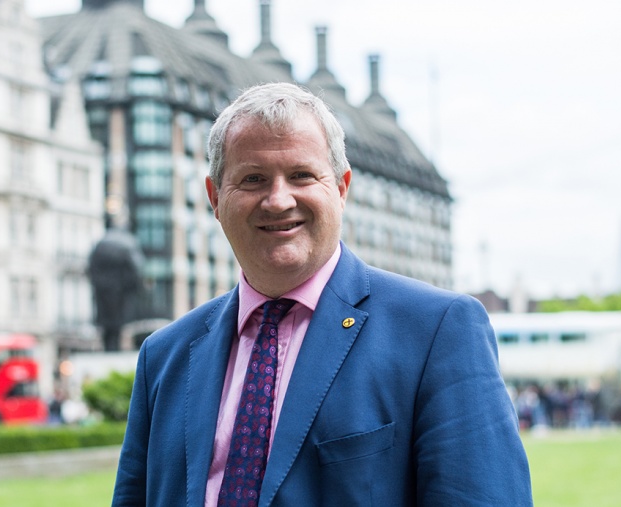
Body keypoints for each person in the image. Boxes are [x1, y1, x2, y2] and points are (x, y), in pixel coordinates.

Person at [112, 82, 532, 506]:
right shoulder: (164, 357)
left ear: (342, 187)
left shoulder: (437, 332)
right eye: (253, 179)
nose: (277, 200)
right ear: (215, 197)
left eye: (301, 175)